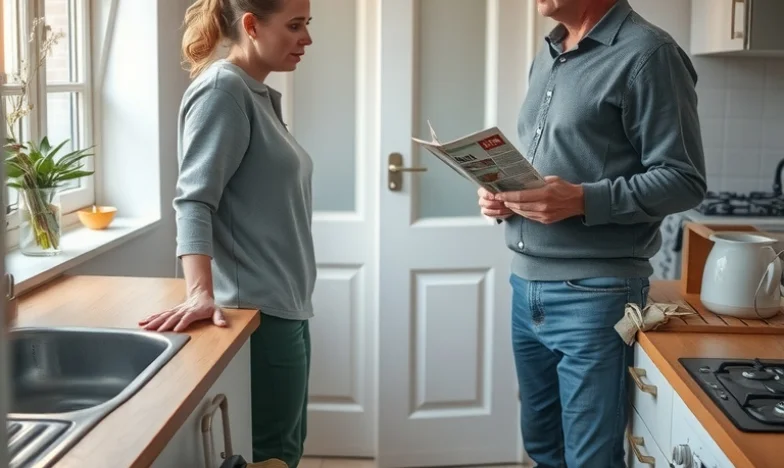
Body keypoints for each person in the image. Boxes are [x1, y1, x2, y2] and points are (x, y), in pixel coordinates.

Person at [478, 0, 706, 467]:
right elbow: (559, 164)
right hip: (526, 288)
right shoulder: (549, 51)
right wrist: (505, 198)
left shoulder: (649, 53)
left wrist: (583, 199)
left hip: (595, 295)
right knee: (544, 449)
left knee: (590, 459)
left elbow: (684, 180)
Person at [137, 0, 316, 466]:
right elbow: (194, 200)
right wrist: (200, 291)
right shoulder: (223, 90)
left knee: (284, 453)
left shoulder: (256, 95)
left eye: (307, 25)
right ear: (252, 25)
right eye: (295, 26)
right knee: (273, 455)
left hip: (286, 307)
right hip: (256, 313)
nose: (306, 39)